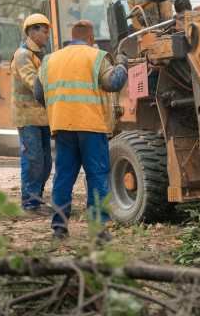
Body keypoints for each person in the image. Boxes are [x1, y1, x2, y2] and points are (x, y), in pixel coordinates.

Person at [34, 20, 128, 240]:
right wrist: (123, 64)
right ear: (91, 38)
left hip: (62, 126)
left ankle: (59, 229)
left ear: (71, 36)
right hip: (91, 127)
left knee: (63, 177)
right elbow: (113, 83)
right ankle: (99, 230)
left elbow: (39, 94)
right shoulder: (96, 57)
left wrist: (60, 109)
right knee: (97, 176)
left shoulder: (50, 60)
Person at [10, 14, 52, 213]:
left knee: (45, 161)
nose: (47, 36)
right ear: (32, 32)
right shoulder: (22, 55)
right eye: (44, 32)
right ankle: (30, 203)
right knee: (33, 158)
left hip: (42, 117)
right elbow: (35, 84)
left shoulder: (40, 55)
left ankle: (37, 198)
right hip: (27, 117)